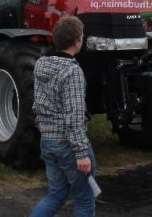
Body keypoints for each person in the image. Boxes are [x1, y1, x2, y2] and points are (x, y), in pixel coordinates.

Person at [30, 16, 96, 217]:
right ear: (77, 41)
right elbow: (74, 115)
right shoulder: (72, 71)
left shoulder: (40, 64)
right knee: (85, 198)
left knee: (56, 194)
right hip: (67, 145)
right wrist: (81, 153)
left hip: (48, 141)